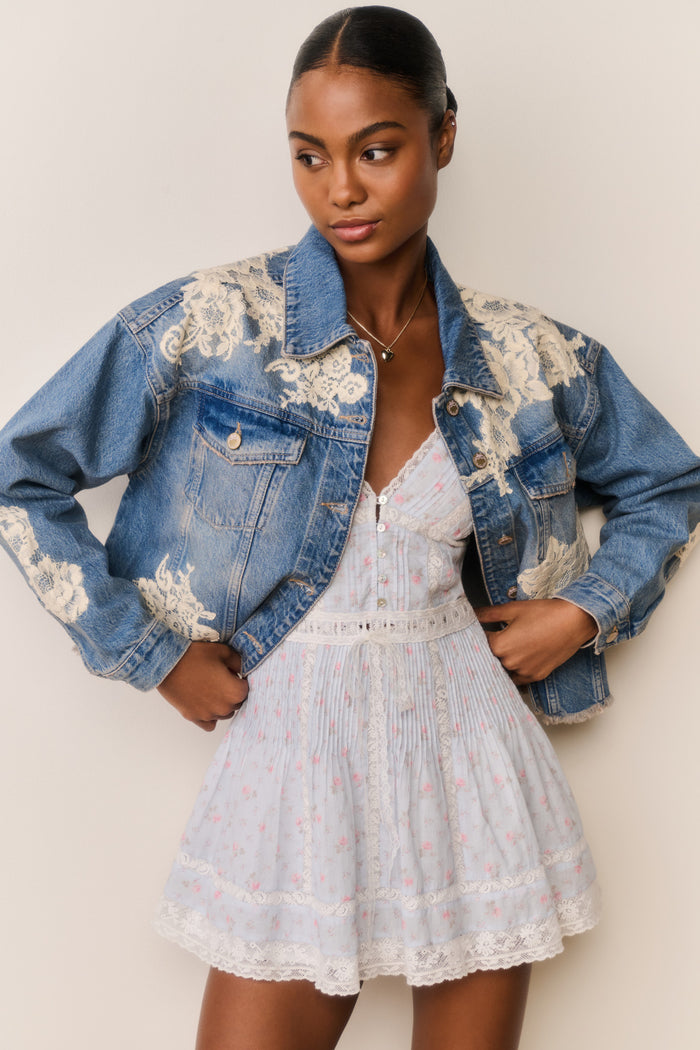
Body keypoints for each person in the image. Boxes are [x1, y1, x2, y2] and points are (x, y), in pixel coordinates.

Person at [0, 6, 698, 1049]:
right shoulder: (209, 325)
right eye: (308, 155)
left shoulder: (526, 354)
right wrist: (148, 656)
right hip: (291, 766)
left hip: (470, 760)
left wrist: (583, 612)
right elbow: (22, 477)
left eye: (377, 150)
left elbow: (666, 484)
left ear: (441, 136)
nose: (341, 188)